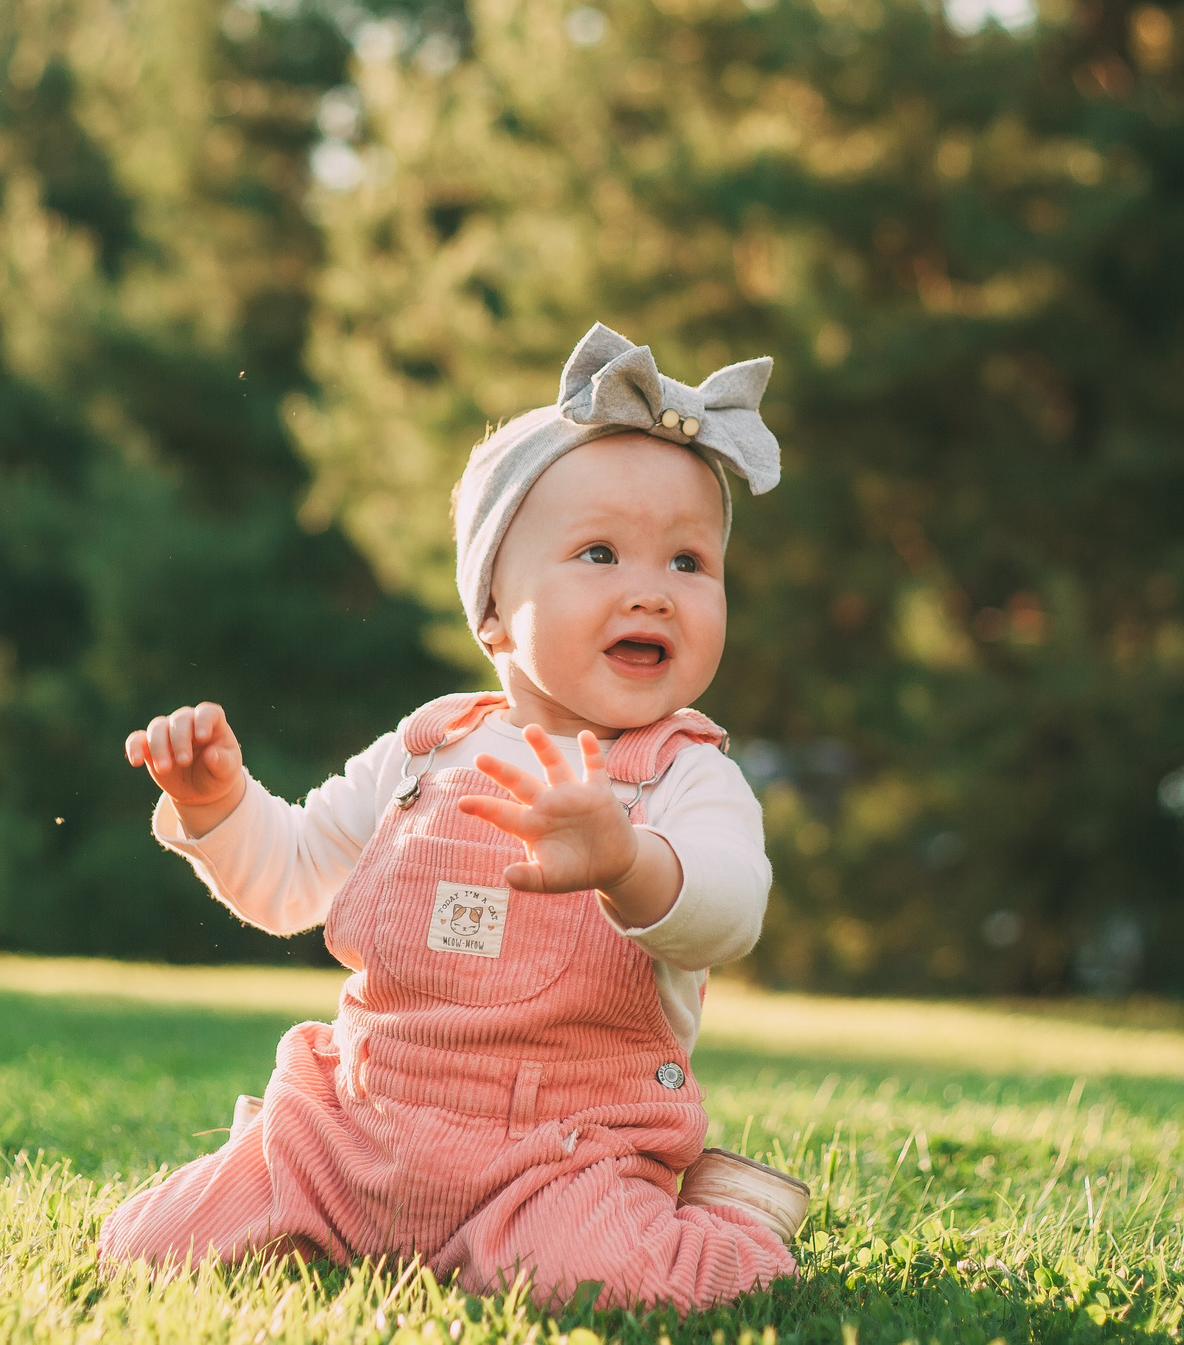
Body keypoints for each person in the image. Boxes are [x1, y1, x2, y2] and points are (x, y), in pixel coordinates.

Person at [99, 323, 809, 1311]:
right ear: (491, 611)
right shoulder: (427, 749)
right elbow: (292, 878)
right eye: (599, 553)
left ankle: (732, 1216)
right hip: (353, 1129)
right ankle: (290, 1190)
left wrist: (625, 860)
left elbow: (730, 909)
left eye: (690, 563)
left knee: (629, 1283)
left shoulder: (684, 776)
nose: (651, 590)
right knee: (145, 1246)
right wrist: (219, 807)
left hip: (557, 1156)